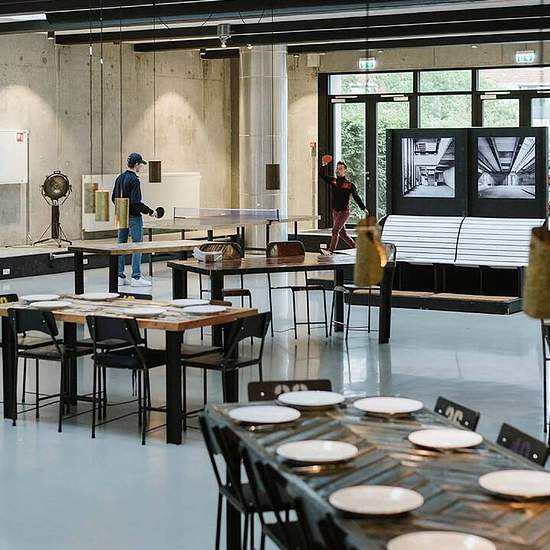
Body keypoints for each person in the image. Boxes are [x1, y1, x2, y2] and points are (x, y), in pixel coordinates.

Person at [112, 152, 157, 287]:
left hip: (121, 214)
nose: (141, 167)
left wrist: (122, 209)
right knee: (138, 245)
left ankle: (119, 276)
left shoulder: (119, 178)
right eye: (140, 165)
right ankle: (136, 277)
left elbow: (113, 198)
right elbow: (136, 203)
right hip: (134, 217)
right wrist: (150, 212)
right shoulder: (134, 180)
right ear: (136, 165)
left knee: (121, 245)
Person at [319, 157, 369, 255]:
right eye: (337, 168)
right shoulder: (333, 181)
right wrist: (324, 165)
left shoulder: (349, 185)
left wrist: (363, 208)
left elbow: (356, 197)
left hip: (344, 212)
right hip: (335, 212)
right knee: (342, 234)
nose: (338, 170)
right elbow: (321, 175)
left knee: (335, 230)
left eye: (340, 168)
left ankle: (330, 250)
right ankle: (357, 249)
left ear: (345, 170)